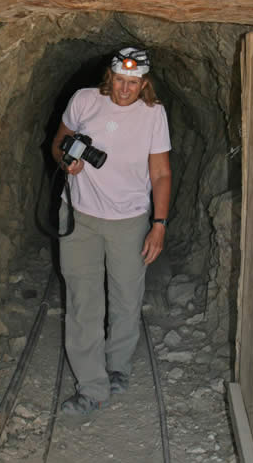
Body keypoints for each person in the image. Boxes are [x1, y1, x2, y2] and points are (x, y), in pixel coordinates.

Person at [51, 47, 172, 415]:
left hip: (130, 219)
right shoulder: (85, 100)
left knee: (125, 296)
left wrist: (159, 225)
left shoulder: (154, 115)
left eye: (133, 82)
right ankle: (92, 386)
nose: (124, 89)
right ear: (110, 76)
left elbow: (161, 173)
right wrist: (65, 160)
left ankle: (117, 365)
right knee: (83, 301)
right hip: (80, 216)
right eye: (120, 80)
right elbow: (58, 141)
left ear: (143, 82)